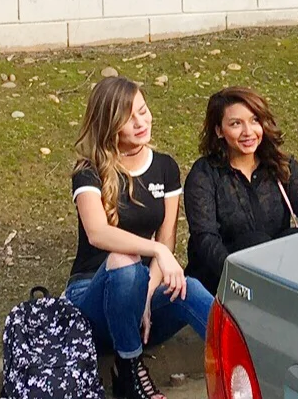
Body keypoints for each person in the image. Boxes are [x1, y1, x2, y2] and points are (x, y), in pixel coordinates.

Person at [64, 75, 211, 399]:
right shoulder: (88, 170)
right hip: (91, 303)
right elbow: (98, 233)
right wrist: (156, 251)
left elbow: (167, 239)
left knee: (189, 287)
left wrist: (145, 296)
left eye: (143, 111)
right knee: (123, 260)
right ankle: (129, 372)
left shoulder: (165, 167)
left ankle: (251, 363)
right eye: (128, 118)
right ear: (109, 125)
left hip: (142, 297)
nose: (141, 122)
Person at [183, 86, 298, 294]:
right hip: (223, 279)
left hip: (277, 276)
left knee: (294, 237)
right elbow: (205, 238)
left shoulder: (282, 165)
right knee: (256, 243)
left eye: (254, 120)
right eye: (236, 124)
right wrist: (239, 281)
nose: (248, 132)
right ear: (219, 130)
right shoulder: (205, 174)